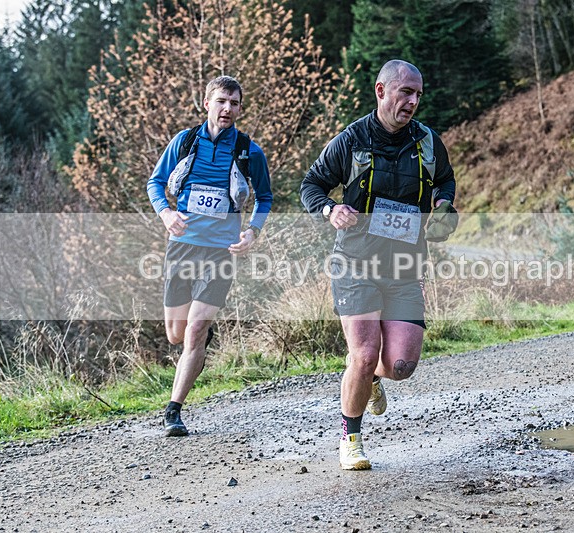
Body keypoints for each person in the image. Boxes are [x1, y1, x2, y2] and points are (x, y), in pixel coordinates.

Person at [300, 60, 458, 470]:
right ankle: (350, 439)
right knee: (365, 354)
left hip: (405, 265)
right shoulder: (351, 140)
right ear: (381, 91)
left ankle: (369, 381)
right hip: (355, 262)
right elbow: (311, 185)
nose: (412, 102)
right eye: (405, 92)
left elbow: (445, 180)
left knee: (400, 366)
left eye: (418, 94)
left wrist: (443, 206)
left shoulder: (427, 142)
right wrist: (330, 209)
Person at [147, 75, 273, 437]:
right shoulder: (185, 141)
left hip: (222, 250)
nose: (228, 109)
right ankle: (198, 339)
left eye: (234, 103)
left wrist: (252, 231)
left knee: (195, 331)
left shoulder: (249, 151)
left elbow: (264, 198)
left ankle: (174, 411)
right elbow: (155, 183)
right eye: (221, 101)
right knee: (176, 334)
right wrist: (166, 213)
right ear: (207, 103)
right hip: (183, 246)